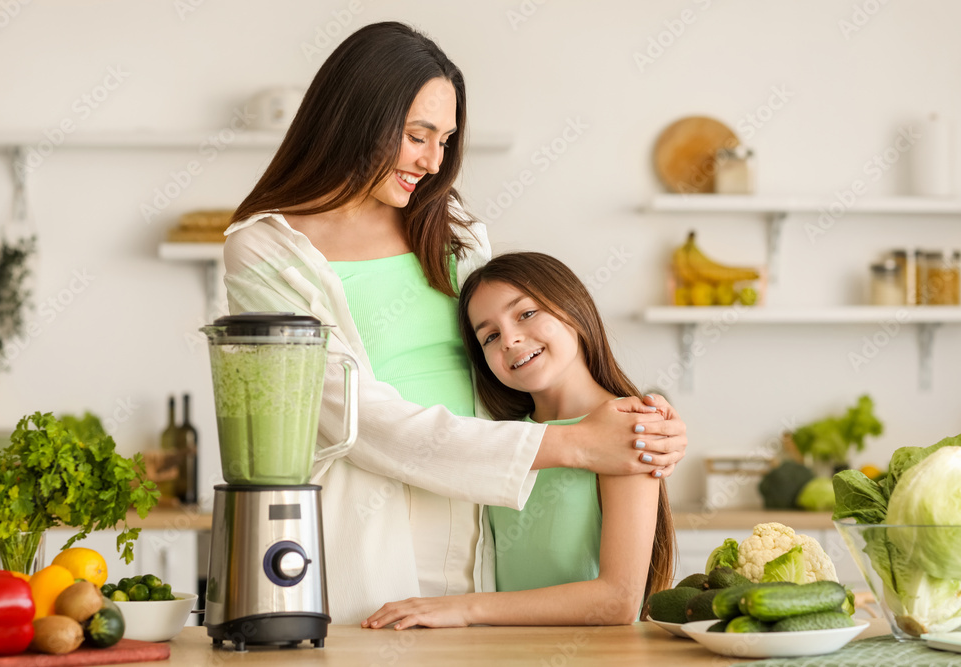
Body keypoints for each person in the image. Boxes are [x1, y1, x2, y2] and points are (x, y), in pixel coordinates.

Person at [222, 21, 687, 624]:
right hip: (355, 525)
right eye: (418, 135)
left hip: (478, 517)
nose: (433, 160)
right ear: (357, 116)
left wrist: (642, 424)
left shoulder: (452, 226)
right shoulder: (266, 249)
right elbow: (349, 415)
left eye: (445, 139)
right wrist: (574, 442)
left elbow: (514, 355)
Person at [363, 252, 675, 629]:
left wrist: (464, 608)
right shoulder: (505, 439)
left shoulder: (626, 428)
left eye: (526, 314)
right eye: (490, 336)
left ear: (572, 309)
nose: (509, 340)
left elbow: (618, 600)